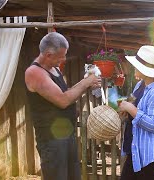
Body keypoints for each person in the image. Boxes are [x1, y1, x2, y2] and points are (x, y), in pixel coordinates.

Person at [25, 32, 101, 180]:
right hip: (51, 140)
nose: (64, 59)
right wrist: (86, 82)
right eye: (61, 56)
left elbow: (66, 93)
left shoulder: (55, 69)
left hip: (66, 135)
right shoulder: (35, 73)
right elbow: (63, 100)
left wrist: (87, 83)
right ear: (48, 55)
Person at [119, 45, 154, 180]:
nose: (134, 68)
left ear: (145, 70)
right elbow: (133, 101)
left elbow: (153, 125)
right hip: (137, 150)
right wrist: (126, 108)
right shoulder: (140, 85)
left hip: (150, 156)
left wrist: (130, 109)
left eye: (137, 66)